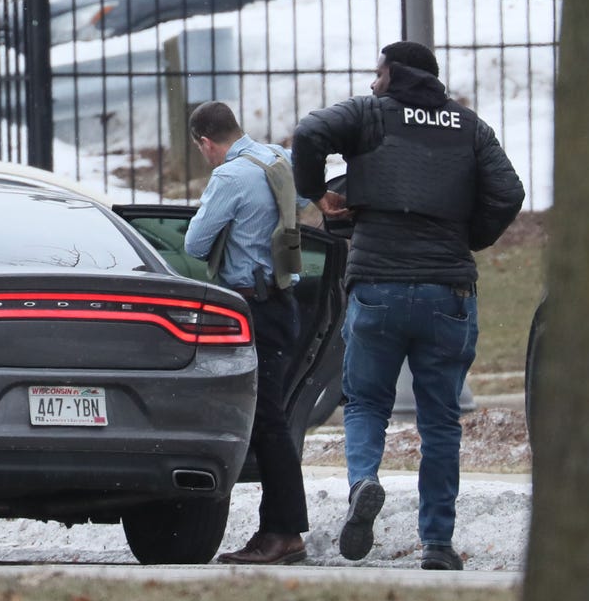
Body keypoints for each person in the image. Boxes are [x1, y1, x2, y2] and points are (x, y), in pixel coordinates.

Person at [292, 41, 525, 570]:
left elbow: (309, 133)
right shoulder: (469, 127)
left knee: (367, 403)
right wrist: (468, 235)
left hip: (378, 285)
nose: (373, 82)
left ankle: (365, 481)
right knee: (441, 421)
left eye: (377, 73)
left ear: (393, 73)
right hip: (448, 291)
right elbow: (508, 193)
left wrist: (316, 194)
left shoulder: (370, 114)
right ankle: (437, 543)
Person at [184, 100, 309, 565]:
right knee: (271, 420)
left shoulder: (230, 177)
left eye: (203, 151)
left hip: (252, 307)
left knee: (266, 423)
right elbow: (301, 204)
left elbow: (194, 243)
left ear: (206, 142)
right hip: (285, 301)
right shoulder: (278, 159)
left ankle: (283, 532)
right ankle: (276, 529)